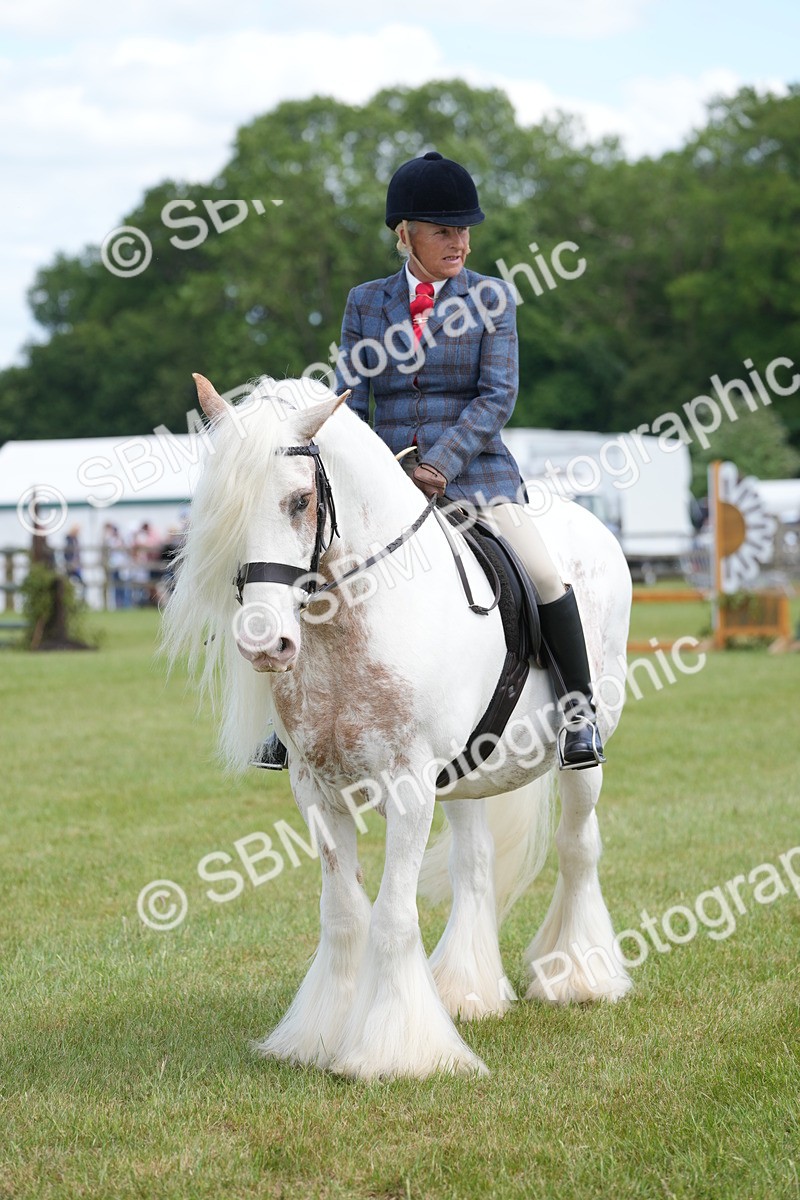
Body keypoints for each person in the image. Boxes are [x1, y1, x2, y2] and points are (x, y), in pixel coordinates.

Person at [254, 150, 604, 772]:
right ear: (404, 235)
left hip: (477, 476)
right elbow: (349, 398)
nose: (460, 242)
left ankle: (579, 714)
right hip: (385, 480)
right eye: (444, 230)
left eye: (465, 230)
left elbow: (496, 397)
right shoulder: (366, 302)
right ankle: (288, 727)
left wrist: (439, 464)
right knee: (309, 576)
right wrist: (375, 470)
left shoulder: (492, 298)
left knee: (545, 574)